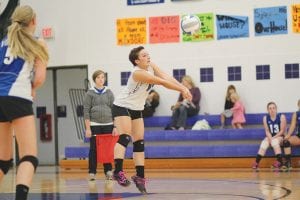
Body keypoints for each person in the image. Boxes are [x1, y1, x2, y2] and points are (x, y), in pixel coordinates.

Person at [112, 46, 192, 194]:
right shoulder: (138, 73)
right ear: (137, 61)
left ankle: (140, 177)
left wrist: (183, 87)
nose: (148, 56)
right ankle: (117, 171)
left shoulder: (151, 65)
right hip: (122, 106)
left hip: (136, 107)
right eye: (144, 55)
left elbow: (165, 76)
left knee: (139, 141)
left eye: (147, 54)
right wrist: (181, 90)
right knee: (124, 137)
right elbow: (161, 82)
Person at [0, 5, 49, 200]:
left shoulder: (2, 43)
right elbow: (38, 78)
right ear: (34, 21)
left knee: (3, 160)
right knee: (29, 156)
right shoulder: (38, 43)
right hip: (18, 97)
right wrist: (33, 89)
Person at [83, 70, 117, 181]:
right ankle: (92, 172)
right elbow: (86, 111)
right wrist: (88, 128)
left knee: (107, 149)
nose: (101, 79)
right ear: (94, 79)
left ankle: (108, 171)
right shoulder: (90, 93)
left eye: (102, 77)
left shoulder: (109, 92)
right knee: (94, 149)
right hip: (94, 125)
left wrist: (115, 126)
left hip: (108, 124)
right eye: (98, 77)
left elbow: (114, 110)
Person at [252, 102, 286, 170]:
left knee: (274, 142)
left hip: (280, 136)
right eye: (270, 108)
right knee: (264, 143)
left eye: (273, 108)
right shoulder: (265, 118)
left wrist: (273, 138)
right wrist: (270, 138)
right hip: (270, 136)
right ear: (268, 110)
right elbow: (267, 131)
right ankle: (256, 162)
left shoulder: (281, 117)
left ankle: (280, 162)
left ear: (276, 109)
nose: (272, 110)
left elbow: (282, 131)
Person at [282, 99, 300, 170]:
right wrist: (288, 135)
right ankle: (288, 163)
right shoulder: (296, 114)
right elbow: (292, 126)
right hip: (298, 137)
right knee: (286, 141)